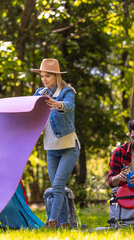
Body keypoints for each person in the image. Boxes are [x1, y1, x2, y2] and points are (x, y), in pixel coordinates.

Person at [32, 58, 80, 229]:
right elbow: (30, 107)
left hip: (69, 147)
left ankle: (51, 222)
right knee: (56, 188)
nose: (44, 79)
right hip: (51, 148)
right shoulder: (40, 93)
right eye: (42, 76)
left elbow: (69, 106)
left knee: (58, 186)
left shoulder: (67, 91)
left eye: (48, 76)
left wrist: (58, 104)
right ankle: (65, 224)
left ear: (57, 77)